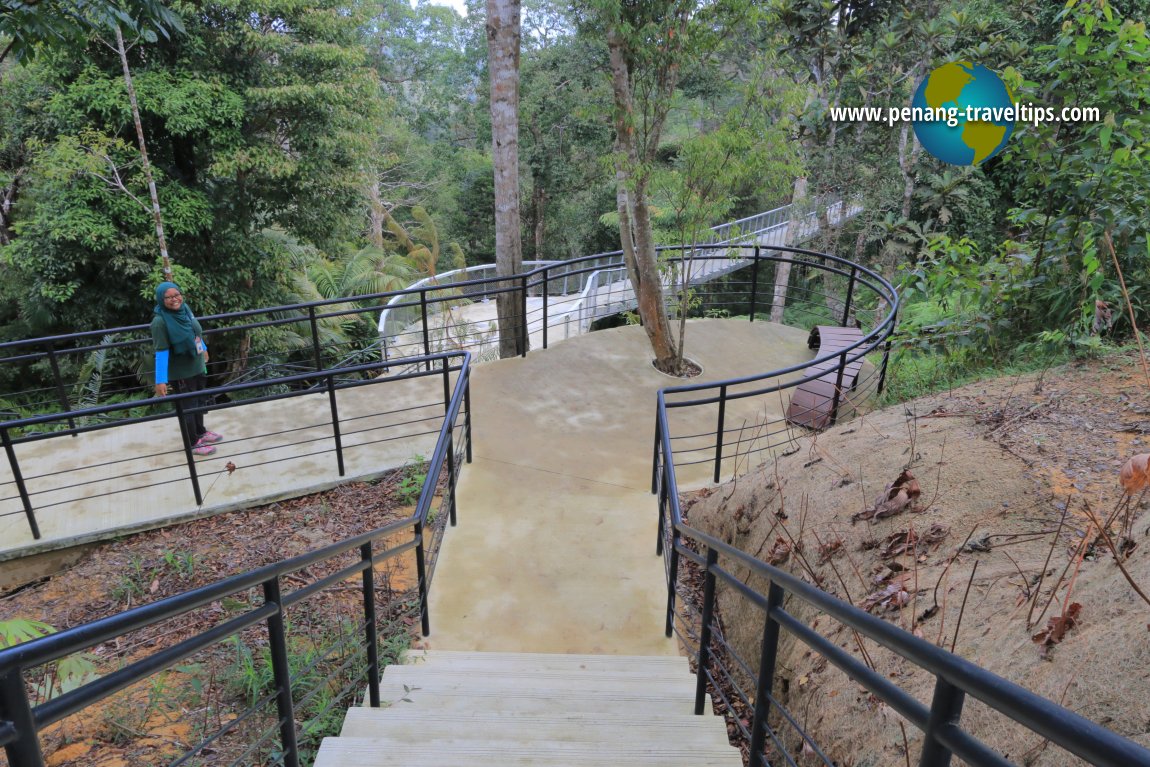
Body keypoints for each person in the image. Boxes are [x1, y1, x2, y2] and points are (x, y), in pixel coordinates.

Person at [151, 281, 223, 456]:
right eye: (168, 297)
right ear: (161, 299)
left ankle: (200, 432)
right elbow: (161, 351)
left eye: (176, 295)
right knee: (188, 408)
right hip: (181, 373)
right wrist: (160, 379)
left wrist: (204, 348)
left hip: (196, 365)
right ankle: (192, 443)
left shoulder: (185, 309)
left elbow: (195, 332)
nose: (174, 299)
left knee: (199, 402)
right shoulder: (160, 322)